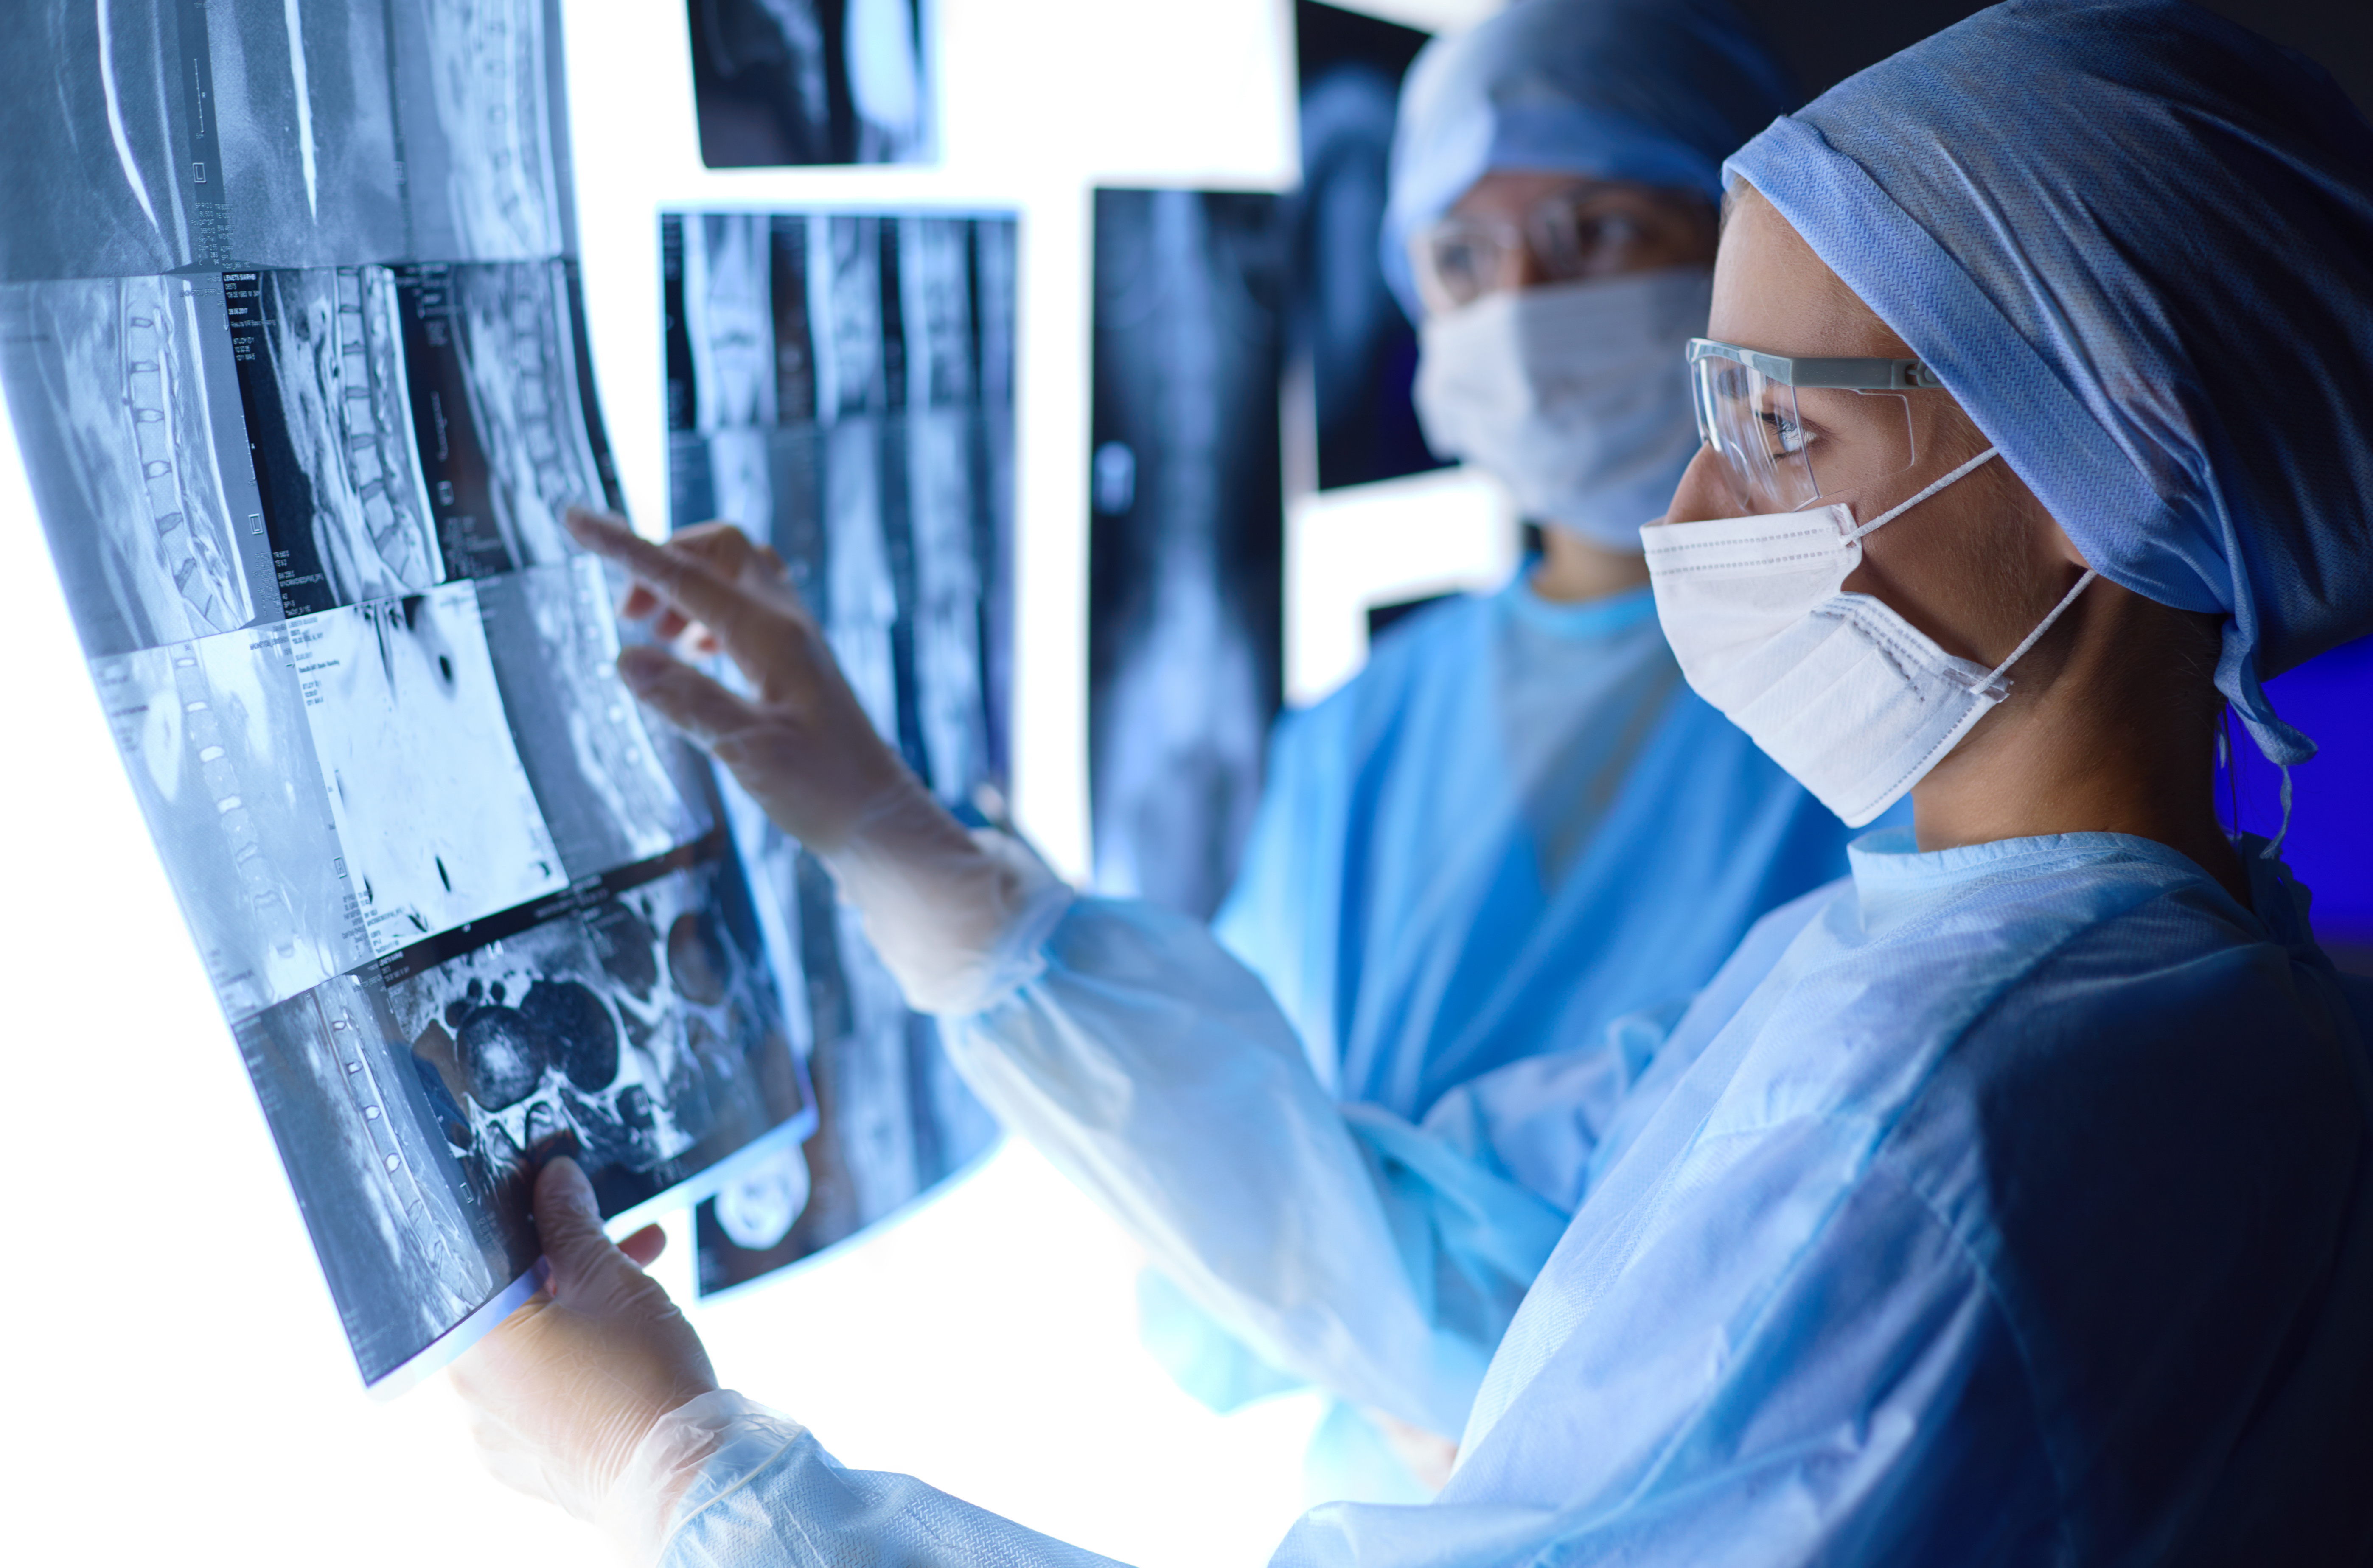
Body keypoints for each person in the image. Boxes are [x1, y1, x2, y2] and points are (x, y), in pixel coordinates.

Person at [456, 0, 2373, 1560]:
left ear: (2098, 473)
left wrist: (696, 1486)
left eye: (1778, 433)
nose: (1691, 512)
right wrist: (925, 872)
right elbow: (1427, 1250)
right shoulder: (2055, 980)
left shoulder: (1981, 1110)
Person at [1157, 0, 1872, 1490]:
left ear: (1743, 246)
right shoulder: (1356, 738)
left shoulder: (1887, 678)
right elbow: (1199, 1239)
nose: (1524, 314)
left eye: (1597, 231)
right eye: (1463, 262)